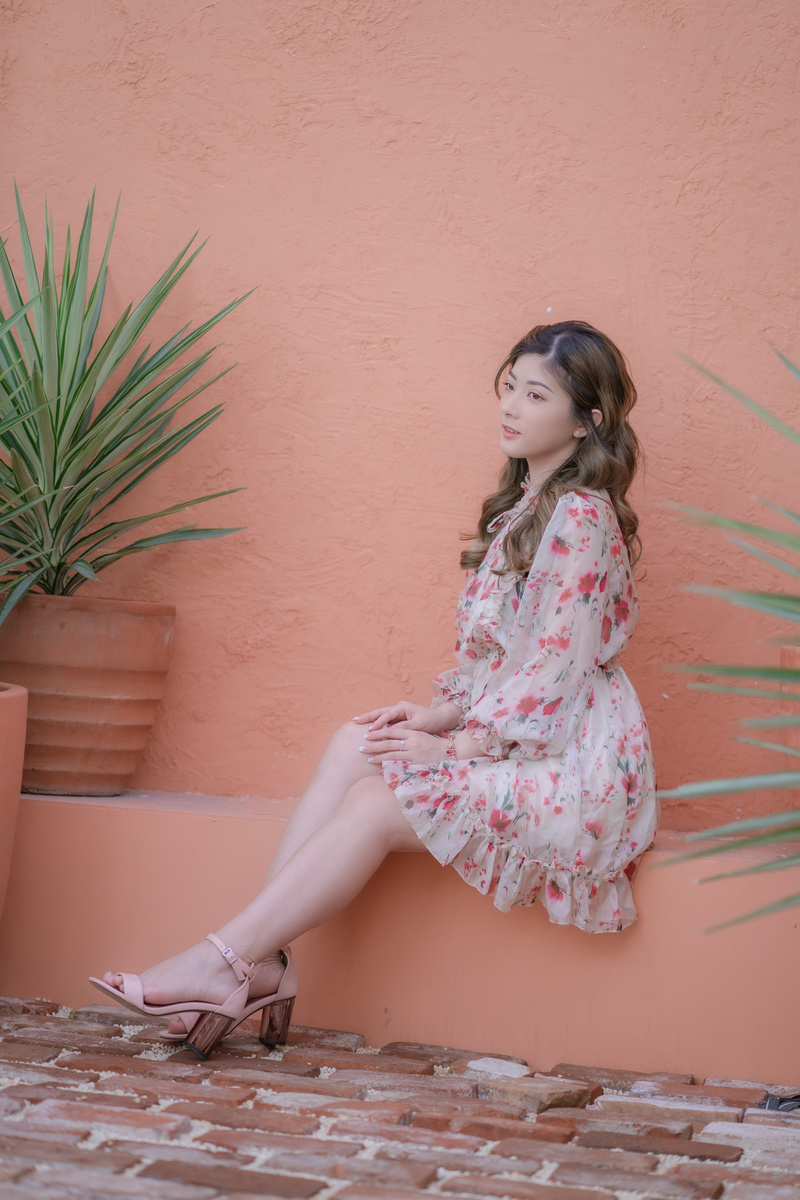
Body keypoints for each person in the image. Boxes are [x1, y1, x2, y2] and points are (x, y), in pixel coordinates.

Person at [92, 320, 658, 1059]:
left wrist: (453, 743)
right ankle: (258, 963)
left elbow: (553, 678)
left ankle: (223, 962)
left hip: (572, 758)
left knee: (375, 800)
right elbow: (500, 661)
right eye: (509, 387)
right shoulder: (527, 505)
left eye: (535, 394)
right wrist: (438, 712)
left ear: (587, 422)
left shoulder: (580, 518)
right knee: (357, 739)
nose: (509, 408)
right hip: (520, 732)